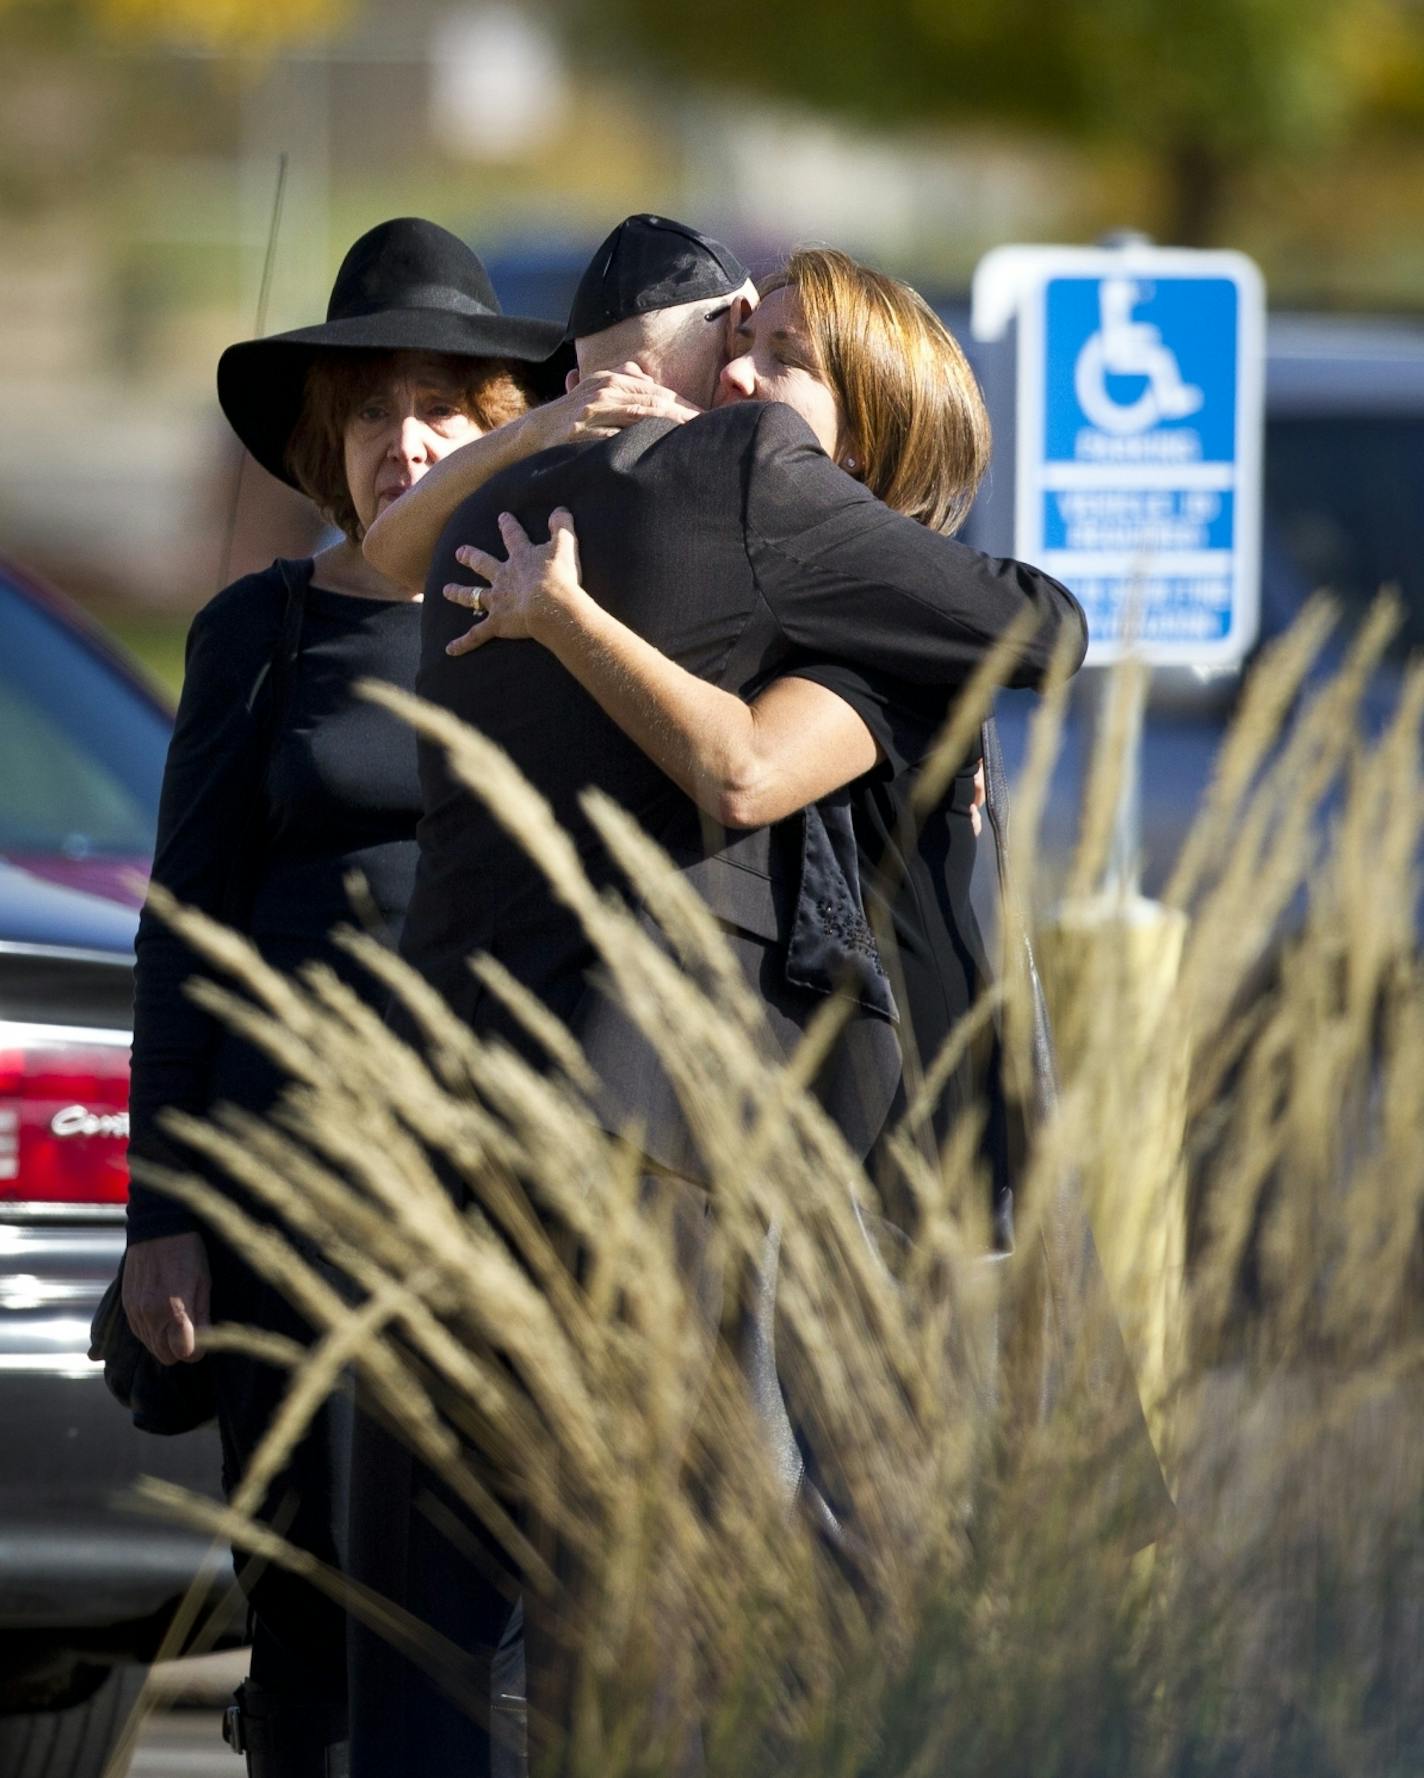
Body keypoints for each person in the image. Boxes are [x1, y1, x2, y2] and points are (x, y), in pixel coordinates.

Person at [348, 214, 1086, 1778]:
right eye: (742, 338)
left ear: (869, 432)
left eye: (786, 356)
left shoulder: (795, 590)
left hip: (860, 1158)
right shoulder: (717, 502)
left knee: (525, 1597)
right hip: (684, 1135)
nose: (746, 367)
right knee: (647, 1609)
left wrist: (568, 604)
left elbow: (759, 761)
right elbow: (749, 768)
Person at [119, 216, 578, 1778]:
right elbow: (183, 930)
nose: (410, 440)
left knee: (484, 1636)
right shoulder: (264, 632)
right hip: (287, 1201)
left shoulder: (558, 621)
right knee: (306, 1627)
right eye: (375, 411)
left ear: (507, 425)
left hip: (498, 1202)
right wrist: (161, 1209)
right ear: (332, 442)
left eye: (447, 404)